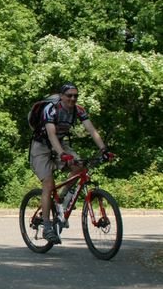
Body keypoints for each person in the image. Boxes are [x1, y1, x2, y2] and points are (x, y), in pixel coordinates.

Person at [30, 82, 110, 243]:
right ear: (61, 96)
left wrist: (104, 149)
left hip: (60, 143)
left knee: (80, 167)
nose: (72, 98)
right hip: (41, 146)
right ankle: (46, 227)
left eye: (75, 96)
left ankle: (62, 199)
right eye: (69, 95)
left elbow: (92, 130)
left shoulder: (78, 110)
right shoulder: (51, 109)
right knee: (48, 183)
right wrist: (62, 154)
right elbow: (51, 134)